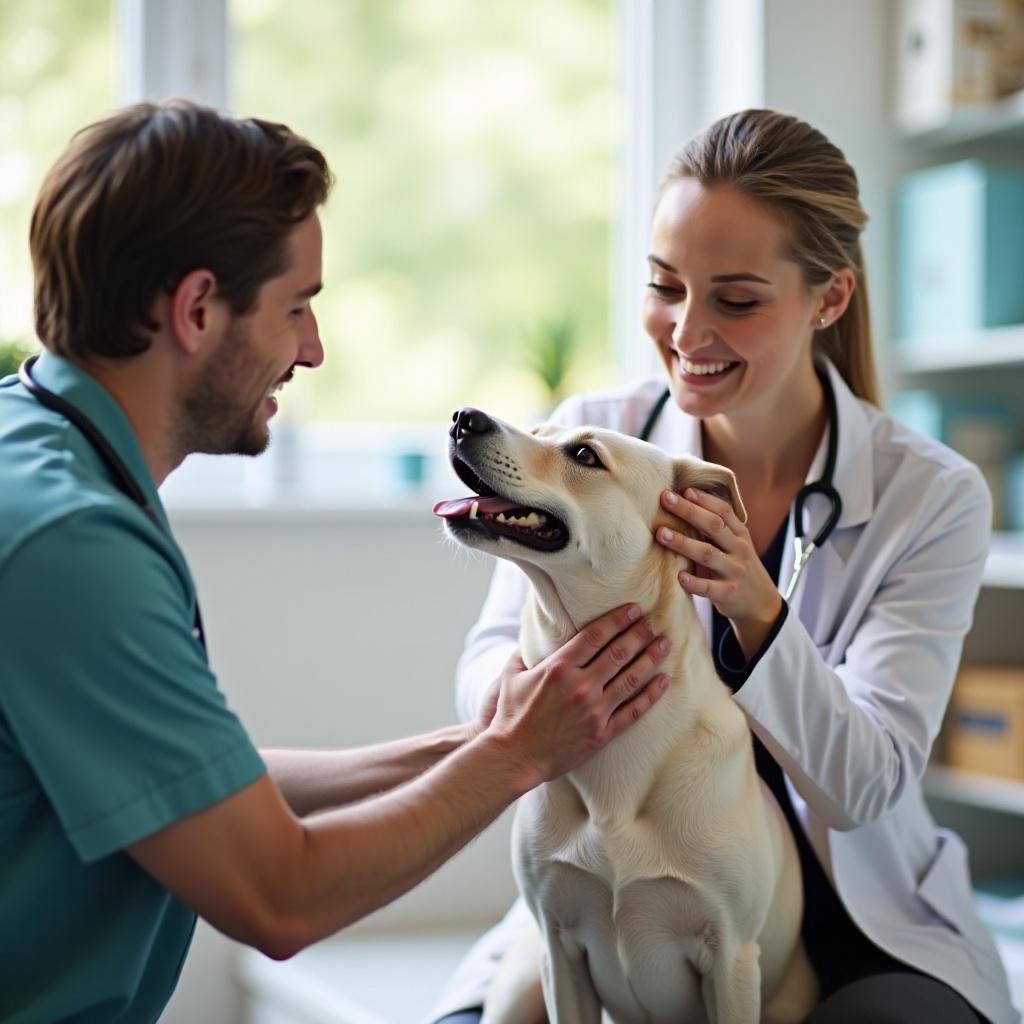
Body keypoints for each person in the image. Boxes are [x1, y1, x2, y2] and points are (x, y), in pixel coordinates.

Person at [0, 98, 675, 1023]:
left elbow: (200, 787)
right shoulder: (72, 550)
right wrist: (516, 755)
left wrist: (485, 740)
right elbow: (280, 894)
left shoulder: (30, 443)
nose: (313, 350)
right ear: (197, 308)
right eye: (297, 308)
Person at [429, 109, 1019, 1024]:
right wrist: (537, 691)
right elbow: (488, 666)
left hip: (855, 913)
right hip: (623, 891)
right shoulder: (597, 433)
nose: (686, 330)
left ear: (828, 300)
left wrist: (759, 613)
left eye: (735, 299)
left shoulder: (929, 496)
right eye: (666, 285)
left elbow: (868, 785)